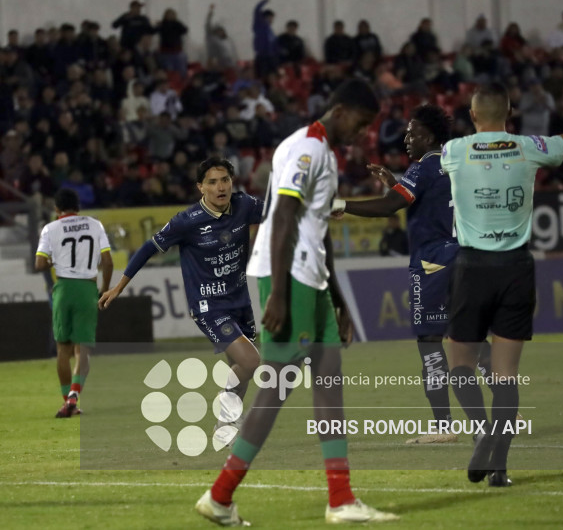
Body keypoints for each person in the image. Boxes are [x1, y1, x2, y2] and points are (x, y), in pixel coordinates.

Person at [195, 79, 399, 526]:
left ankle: (341, 499)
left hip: (311, 278)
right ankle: (220, 494)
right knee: (277, 384)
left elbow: (318, 227)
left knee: (327, 379)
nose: (363, 134)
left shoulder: (319, 151)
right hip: (289, 278)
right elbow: (283, 215)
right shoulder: (308, 148)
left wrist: (341, 301)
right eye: (362, 124)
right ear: (341, 110)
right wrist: (282, 295)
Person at [440, 83, 563, 487]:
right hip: (516, 267)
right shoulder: (528, 146)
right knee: (506, 376)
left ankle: (482, 431)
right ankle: (501, 469)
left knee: (459, 364)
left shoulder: (454, 151)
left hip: (472, 267)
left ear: (473, 116)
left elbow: (424, 175)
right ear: (509, 112)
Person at [332, 105, 489, 444]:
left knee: (429, 340)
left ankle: (443, 426)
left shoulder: (424, 165)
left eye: (412, 132)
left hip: (432, 260)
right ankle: (508, 407)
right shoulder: (450, 164)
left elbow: (391, 206)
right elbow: (424, 199)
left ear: (429, 136)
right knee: (466, 335)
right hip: (462, 253)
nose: (406, 138)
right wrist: (395, 182)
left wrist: (343, 205)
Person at [99, 157, 263, 438]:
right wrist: (118, 287)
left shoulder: (245, 205)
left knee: (238, 367)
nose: (220, 187)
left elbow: (282, 209)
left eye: (224, 180)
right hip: (208, 305)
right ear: (201, 187)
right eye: (212, 182)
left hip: (240, 299)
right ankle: (226, 414)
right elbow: (148, 249)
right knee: (250, 361)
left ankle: (227, 422)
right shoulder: (187, 221)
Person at [34, 188, 113, 418]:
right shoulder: (94, 224)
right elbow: (107, 262)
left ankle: (67, 401)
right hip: (87, 288)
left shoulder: (50, 228)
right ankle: (74, 395)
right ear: (78, 207)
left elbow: (39, 265)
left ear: (57, 210)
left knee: (63, 349)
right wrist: (105, 290)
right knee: (83, 349)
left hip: (63, 289)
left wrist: (51, 260)